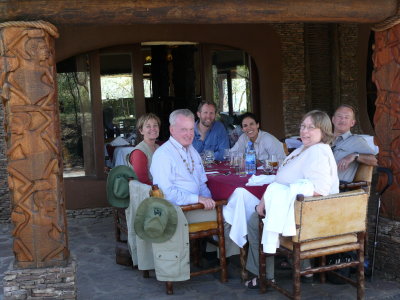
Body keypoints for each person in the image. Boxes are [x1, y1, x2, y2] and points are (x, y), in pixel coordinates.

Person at [245, 110, 339, 289]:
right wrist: (268, 198)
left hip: (309, 217)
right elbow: (282, 179)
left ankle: (264, 275)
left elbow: (319, 191)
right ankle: (305, 266)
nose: (305, 131)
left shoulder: (318, 152)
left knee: (255, 221)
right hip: (294, 209)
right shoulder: (306, 148)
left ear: (324, 131)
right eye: (303, 126)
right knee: (260, 213)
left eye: (311, 127)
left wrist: (280, 200)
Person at [150, 109, 215, 211]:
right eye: (184, 129)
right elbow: (166, 194)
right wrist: (197, 199)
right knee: (230, 218)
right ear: (172, 130)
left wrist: (208, 200)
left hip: (198, 207)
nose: (189, 134)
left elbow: (202, 184)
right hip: (179, 212)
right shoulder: (163, 155)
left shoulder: (192, 150)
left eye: (191, 129)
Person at [332, 104, 378, 183]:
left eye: (346, 117)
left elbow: (378, 160)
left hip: (338, 188)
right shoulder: (323, 139)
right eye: (339, 116)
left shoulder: (356, 141)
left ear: (352, 123)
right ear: (333, 119)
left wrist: (355, 156)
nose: (342, 120)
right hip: (315, 183)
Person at [129, 113, 161, 185]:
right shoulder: (139, 152)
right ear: (141, 131)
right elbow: (142, 181)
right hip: (150, 193)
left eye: (155, 125)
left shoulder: (159, 148)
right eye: (148, 126)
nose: (153, 129)